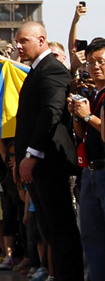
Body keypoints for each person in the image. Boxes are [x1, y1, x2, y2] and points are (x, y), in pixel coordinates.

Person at [12, 21, 83, 281]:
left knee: (60, 231)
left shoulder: (51, 70)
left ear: (42, 40)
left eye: (23, 41)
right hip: (38, 163)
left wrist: (31, 155)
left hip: (48, 162)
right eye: (17, 41)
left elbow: (50, 114)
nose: (18, 46)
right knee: (51, 231)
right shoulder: (38, 70)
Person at [70, 38, 105, 279]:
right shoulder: (93, 94)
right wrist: (77, 115)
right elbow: (83, 134)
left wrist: (89, 116)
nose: (95, 67)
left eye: (101, 61)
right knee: (90, 235)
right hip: (90, 171)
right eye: (91, 62)